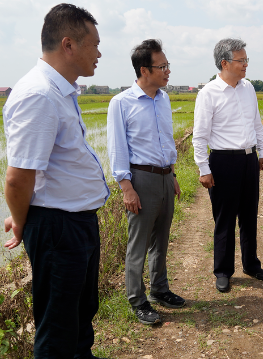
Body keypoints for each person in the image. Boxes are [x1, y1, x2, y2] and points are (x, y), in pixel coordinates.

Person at [2, 4, 109, 358]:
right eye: (94, 44)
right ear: (69, 45)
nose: (99, 53)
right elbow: (18, 179)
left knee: (79, 318)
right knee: (58, 330)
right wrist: (21, 221)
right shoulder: (39, 95)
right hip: (58, 228)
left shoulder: (60, 90)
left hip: (75, 224)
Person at [107, 39, 185, 325]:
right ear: (144, 70)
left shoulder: (163, 99)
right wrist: (127, 188)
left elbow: (166, 140)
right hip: (140, 179)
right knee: (138, 244)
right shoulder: (122, 103)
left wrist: (173, 174)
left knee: (161, 240)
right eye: (161, 66)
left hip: (165, 177)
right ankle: (137, 300)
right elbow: (117, 149)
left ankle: (159, 290)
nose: (167, 71)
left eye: (168, 66)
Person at [192, 38, 263, 293]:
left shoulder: (248, 88)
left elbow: (256, 123)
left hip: (248, 159)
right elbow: (200, 135)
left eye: (247, 59)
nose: (246, 64)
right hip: (223, 161)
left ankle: (251, 264)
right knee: (224, 219)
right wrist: (204, 168)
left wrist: (262, 152)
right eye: (241, 60)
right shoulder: (208, 93)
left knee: (249, 215)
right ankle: (223, 271)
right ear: (225, 63)